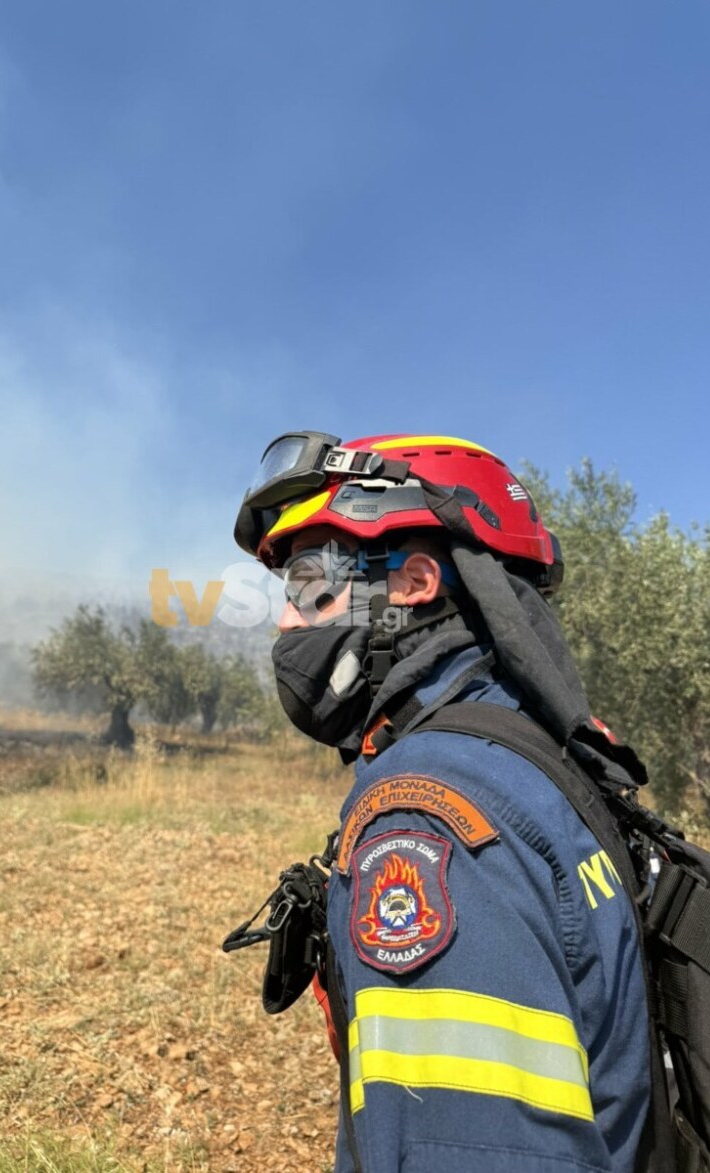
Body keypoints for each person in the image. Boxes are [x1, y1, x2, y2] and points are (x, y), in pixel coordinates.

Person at [234, 433, 661, 1173]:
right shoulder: (535, 755)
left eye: (310, 586)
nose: (285, 622)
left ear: (414, 582)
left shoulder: (426, 816)